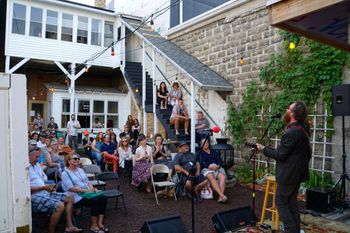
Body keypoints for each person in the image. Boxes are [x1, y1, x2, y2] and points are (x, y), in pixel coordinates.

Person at [256, 101, 311, 233]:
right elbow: (288, 152)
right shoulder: (303, 129)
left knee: (280, 202)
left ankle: (290, 230)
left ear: (293, 113)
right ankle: (295, 230)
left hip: (288, 175)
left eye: (288, 108)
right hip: (297, 174)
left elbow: (280, 155)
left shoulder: (291, 132)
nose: (286, 110)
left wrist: (263, 149)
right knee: (291, 203)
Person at [28, 144, 82, 233]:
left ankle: (69, 226)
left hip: (44, 192)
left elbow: (43, 180)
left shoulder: (37, 165)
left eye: (39, 156)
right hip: (34, 197)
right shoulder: (25, 168)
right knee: (59, 205)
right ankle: (51, 231)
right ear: (28, 156)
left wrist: (51, 186)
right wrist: (43, 187)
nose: (38, 159)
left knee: (70, 197)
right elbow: (26, 189)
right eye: (36, 157)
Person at [62, 153, 108, 233]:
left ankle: (100, 223)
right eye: (75, 158)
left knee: (103, 197)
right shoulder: (65, 173)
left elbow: (87, 182)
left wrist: (92, 187)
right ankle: (93, 226)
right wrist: (87, 191)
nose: (77, 160)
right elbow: (71, 188)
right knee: (95, 200)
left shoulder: (80, 170)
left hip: (87, 192)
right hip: (76, 195)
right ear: (69, 161)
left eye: (78, 158)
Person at [198, 139, 228, 203]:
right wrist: (209, 166)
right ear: (201, 145)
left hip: (216, 168)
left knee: (223, 177)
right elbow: (201, 163)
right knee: (211, 176)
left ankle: (220, 197)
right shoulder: (200, 153)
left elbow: (220, 160)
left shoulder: (214, 151)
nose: (206, 144)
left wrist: (218, 166)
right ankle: (222, 195)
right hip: (206, 169)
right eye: (204, 143)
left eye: (207, 142)